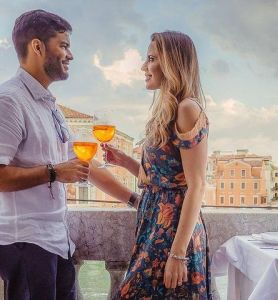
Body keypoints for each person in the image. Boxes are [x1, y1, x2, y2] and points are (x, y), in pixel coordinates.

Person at [0, 9, 138, 300]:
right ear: (37, 47)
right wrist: (54, 172)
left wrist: (136, 200)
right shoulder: (9, 101)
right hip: (25, 244)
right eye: (63, 45)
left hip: (57, 242)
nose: (71, 54)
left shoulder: (50, 106)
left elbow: (82, 164)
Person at [103, 31, 212, 299]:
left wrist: (177, 255)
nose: (143, 67)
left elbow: (196, 185)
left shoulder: (187, 108)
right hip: (153, 226)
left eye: (151, 59)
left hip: (173, 232)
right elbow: (160, 178)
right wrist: (124, 161)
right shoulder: (166, 111)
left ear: (172, 64)